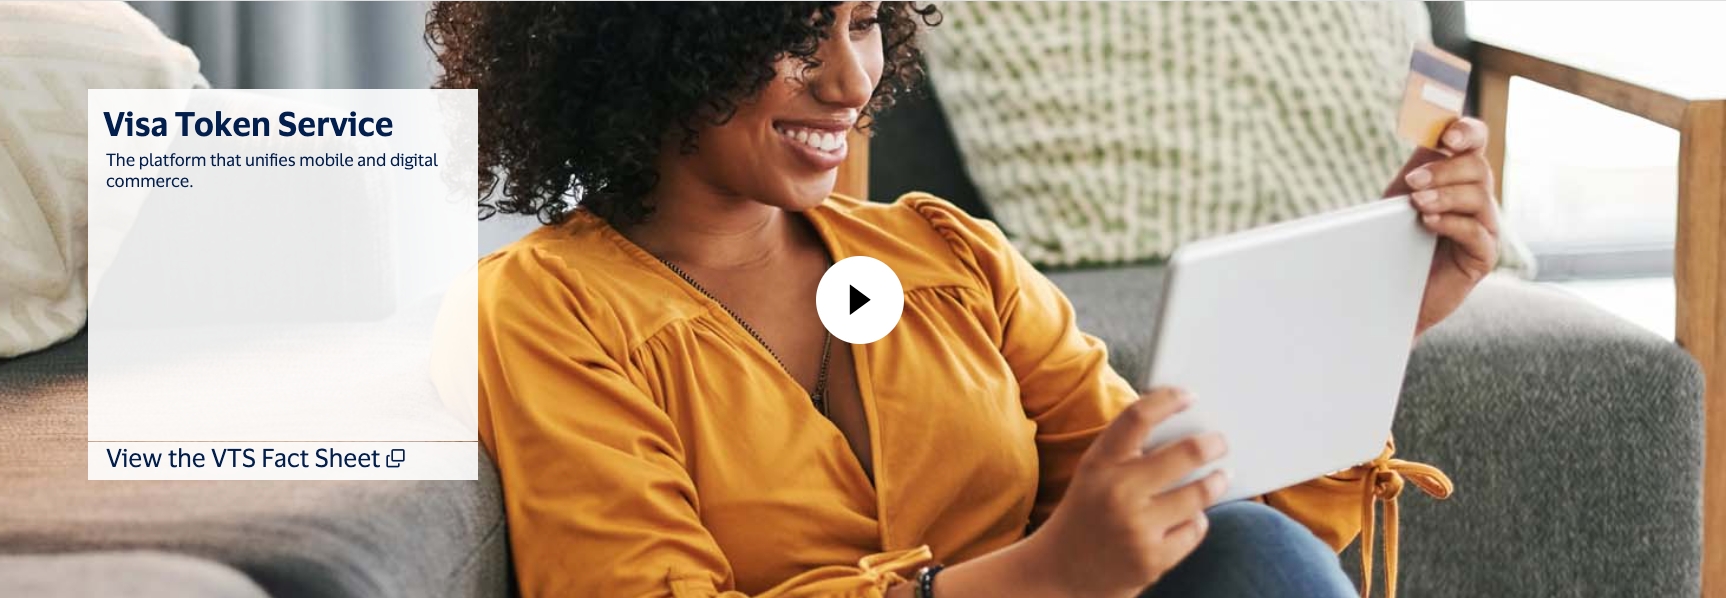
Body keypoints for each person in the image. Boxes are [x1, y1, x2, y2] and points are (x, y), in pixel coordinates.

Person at [429, 2, 1498, 597]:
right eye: (802, 31)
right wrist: (1040, 575)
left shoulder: (947, 255)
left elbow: (1191, 517)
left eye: (863, 23)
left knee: (1253, 553)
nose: (850, 82)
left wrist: (1387, 309)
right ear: (663, 35)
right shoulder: (541, 310)